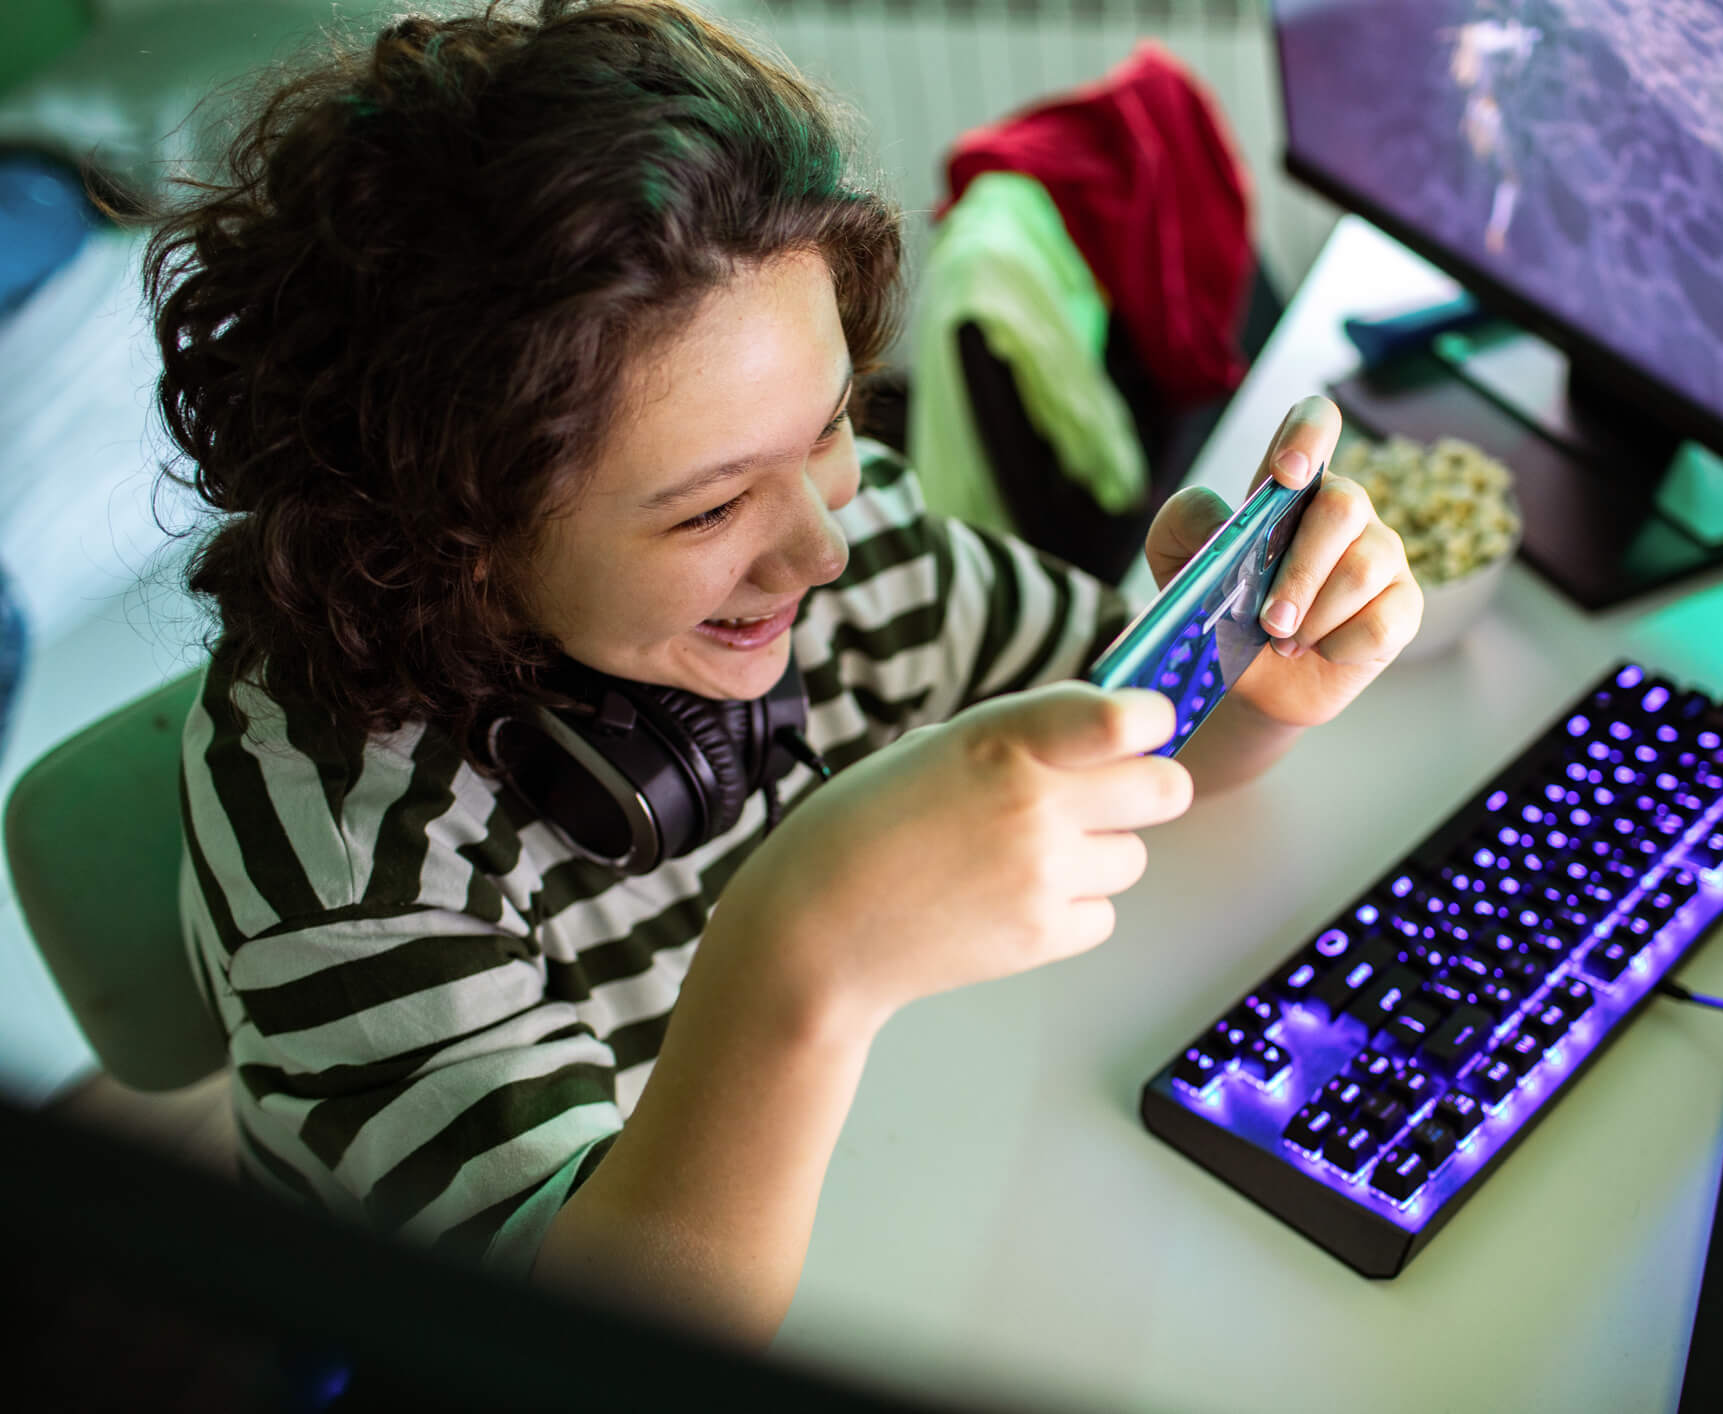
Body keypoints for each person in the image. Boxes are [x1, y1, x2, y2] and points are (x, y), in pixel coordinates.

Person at [156, 0, 1421, 1347]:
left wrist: (1247, 678)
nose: (821, 544)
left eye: (828, 428)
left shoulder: (852, 540)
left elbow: (1135, 764)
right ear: (449, 535)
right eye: (706, 513)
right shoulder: (344, 857)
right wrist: (802, 949)